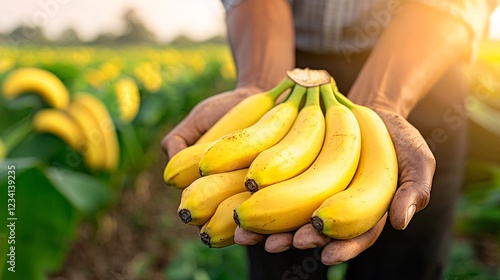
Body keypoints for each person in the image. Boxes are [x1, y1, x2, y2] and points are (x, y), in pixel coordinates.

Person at [162, 0, 499, 279]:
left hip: (420, 64)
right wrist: (261, 86)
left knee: (405, 265)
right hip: (281, 55)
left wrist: (382, 102)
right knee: (280, 262)